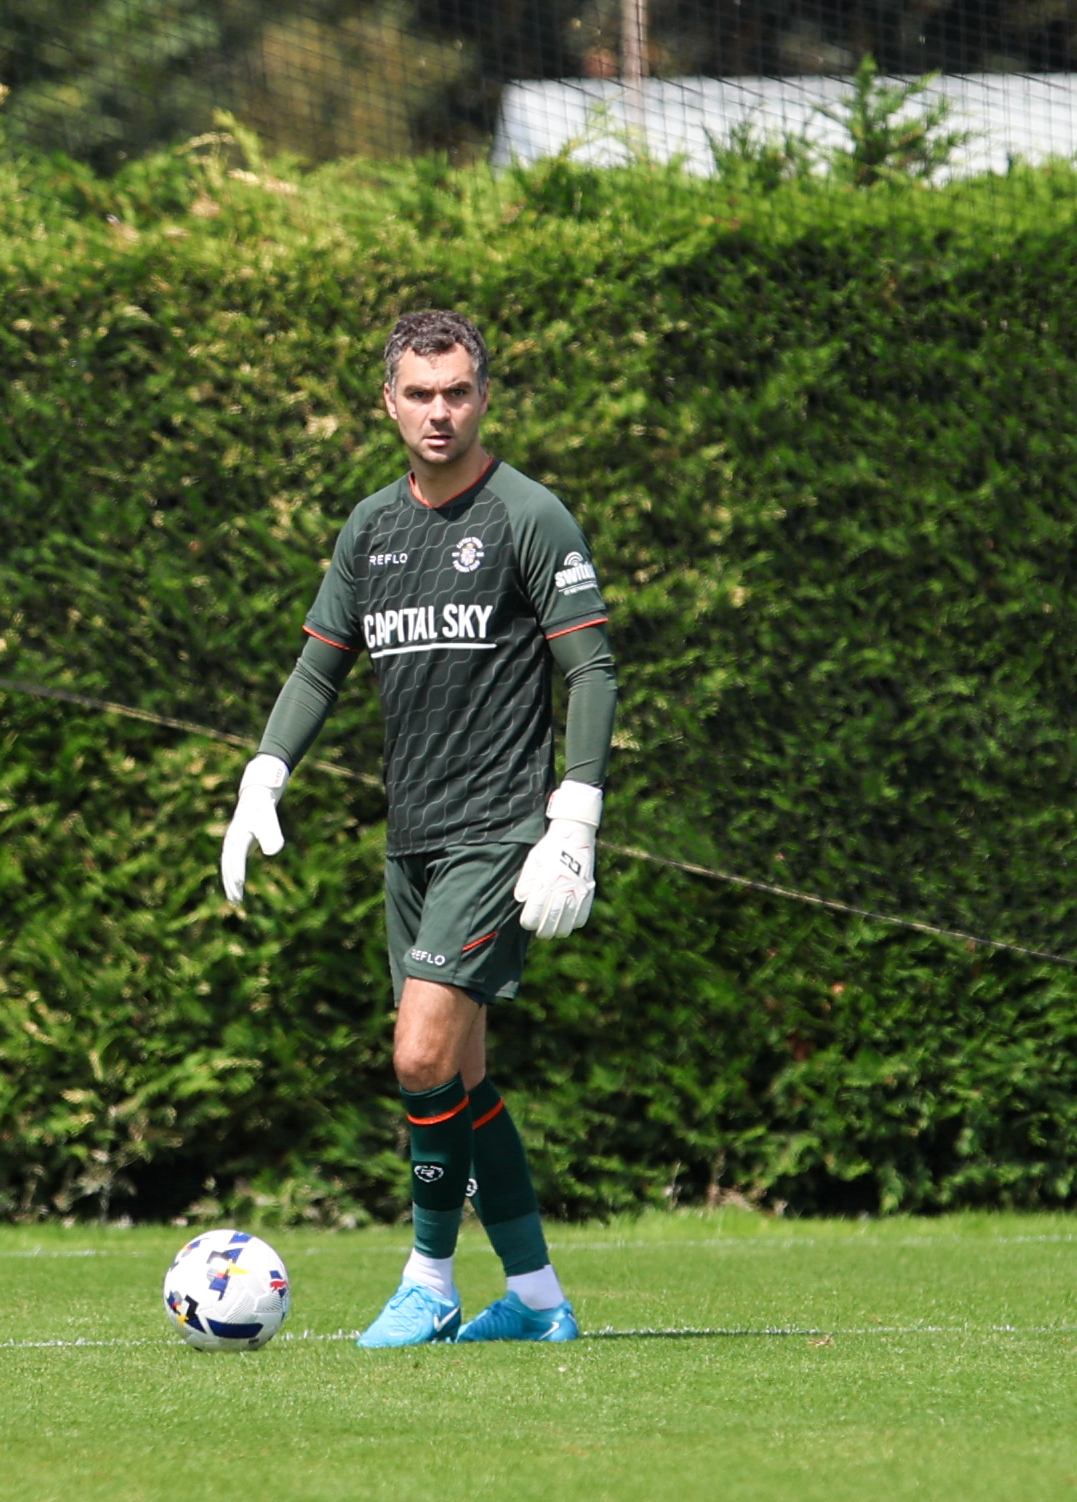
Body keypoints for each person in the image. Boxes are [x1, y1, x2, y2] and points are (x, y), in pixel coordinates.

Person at [219, 309, 618, 1347]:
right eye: (419, 393)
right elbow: (320, 664)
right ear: (388, 402)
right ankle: (536, 1301)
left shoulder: (530, 514)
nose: (439, 411)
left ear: (484, 397)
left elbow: (591, 669)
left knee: (417, 1053)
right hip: (414, 838)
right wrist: (265, 771)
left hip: (498, 832)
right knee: (463, 1078)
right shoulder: (371, 528)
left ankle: (427, 1279)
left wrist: (572, 818)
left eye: (458, 392)